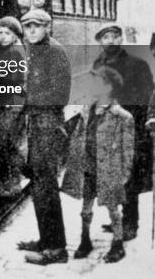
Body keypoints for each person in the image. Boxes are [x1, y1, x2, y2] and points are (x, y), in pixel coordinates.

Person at [62, 66, 134, 263]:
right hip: (87, 168)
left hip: (109, 170)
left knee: (113, 208)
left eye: (96, 83)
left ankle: (118, 244)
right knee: (85, 209)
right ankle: (85, 241)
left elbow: (127, 149)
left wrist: (124, 174)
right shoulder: (87, 110)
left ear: (109, 87)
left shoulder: (122, 116)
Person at [17, 8, 71, 265]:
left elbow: (60, 95)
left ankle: (56, 249)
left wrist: (25, 98)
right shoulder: (31, 50)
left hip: (48, 123)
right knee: (38, 183)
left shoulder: (55, 52)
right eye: (27, 28)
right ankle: (45, 239)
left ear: (47, 27)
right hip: (35, 121)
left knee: (46, 184)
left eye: (36, 27)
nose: (32, 31)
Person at [92, 24, 154, 240]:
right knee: (112, 173)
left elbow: (146, 97)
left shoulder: (137, 64)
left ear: (121, 39)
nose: (110, 41)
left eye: (114, 36)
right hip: (108, 128)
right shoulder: (98, 63)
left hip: (131, 126)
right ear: (100, 41)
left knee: (130, 174)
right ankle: (116, 219)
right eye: (105, 37)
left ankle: (130, 224)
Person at [0, 16, 27, 195]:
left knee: (9, 143)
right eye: (0, 33)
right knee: (9, 142)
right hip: (12, 103)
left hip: (12, 104)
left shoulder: (14, 52)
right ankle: (13, 181)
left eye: (7, 33)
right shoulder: (13, 49)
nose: (2, 37)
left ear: (15, 35)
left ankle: (14, 183)